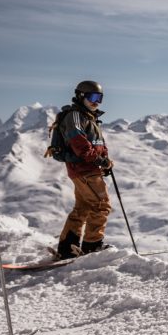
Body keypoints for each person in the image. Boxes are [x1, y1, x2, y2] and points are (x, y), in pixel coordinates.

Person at [55, 81, 113, 260]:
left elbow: (97, 145)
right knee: (101, 205)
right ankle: (92, 246)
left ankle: (67, 248)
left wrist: (104, 162)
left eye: (100, 98)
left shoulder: (89, 117)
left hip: (88, 169)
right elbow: (80, 145)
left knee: (83, 208)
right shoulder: (75, 116)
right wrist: (100, 161)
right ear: (81, 96)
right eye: (93, 97)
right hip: (84, 169)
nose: (97, 102)